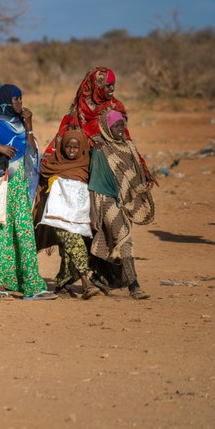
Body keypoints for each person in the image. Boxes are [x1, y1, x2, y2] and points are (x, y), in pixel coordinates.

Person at [0, 84, 56, 301]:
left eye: (20, 98)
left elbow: (32, 156)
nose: (20, 103)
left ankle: (32, 285)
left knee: (24, 236)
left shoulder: (21, 124)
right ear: (5, 103)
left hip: (18, 190)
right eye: (16, 99)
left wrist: (29, 126)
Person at [88, 110, 155, 299]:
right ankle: (134, 285)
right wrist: (94, 213)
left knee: (112, 243)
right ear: (107, 128)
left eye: (122, 125)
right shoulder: (100, 150)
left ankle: (100, 280)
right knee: (124, 237)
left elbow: (134, 174)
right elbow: (94, 184)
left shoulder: (128, 148)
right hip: (105, 200)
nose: (120, 129)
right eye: (116, 126)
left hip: (124, 201)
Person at [33, 129, 100, 299]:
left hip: (79, 217)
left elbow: (92, 192)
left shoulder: (87, 166)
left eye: (75, 147)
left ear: (82, 148)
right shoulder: (53, 164)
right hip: (58, 216)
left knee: (69, 253)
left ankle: (61, 285)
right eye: (68, 147)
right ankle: (86, 282)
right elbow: (40, 180)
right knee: (75, 243)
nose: (71, 150)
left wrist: (93, 215)